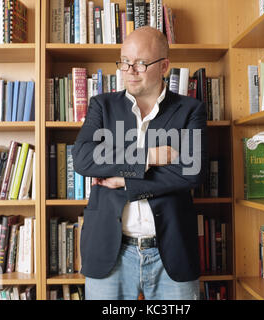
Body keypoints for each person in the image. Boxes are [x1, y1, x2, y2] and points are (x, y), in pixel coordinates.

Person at [72, 26, 207, 300]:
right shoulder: (102, 106)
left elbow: (192, 172)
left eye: (141, 63)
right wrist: (150, 156)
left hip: (172, 252)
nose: (130, 70)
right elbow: (84, 158)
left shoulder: (191, 110)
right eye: (124, 62)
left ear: (164, 66)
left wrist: (125, 180)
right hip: (111, 251)